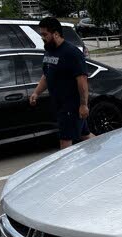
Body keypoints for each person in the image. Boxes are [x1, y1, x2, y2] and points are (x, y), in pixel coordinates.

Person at [29, 17, 94, 150]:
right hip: (59, 104)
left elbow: (82, 81)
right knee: (85, 135)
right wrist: (36, 92)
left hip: (71, 105)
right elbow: (47, 75)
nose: (42, 37)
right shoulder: (50, 50)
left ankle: (65, 170)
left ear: (56, 33)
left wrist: (83, 105)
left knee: (65, 143)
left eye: (45, 34)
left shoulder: (71, 53)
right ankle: (106, 152)